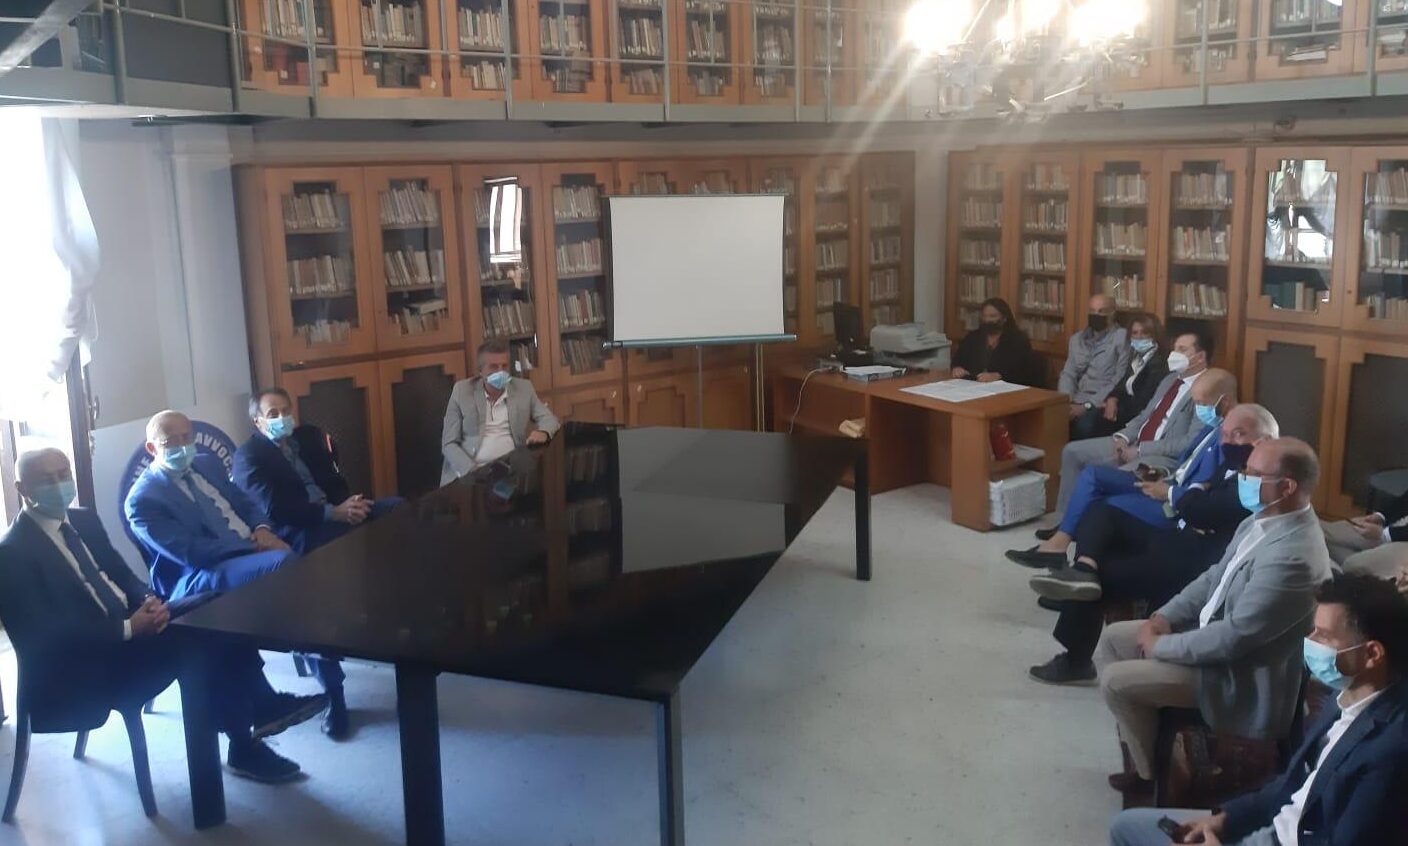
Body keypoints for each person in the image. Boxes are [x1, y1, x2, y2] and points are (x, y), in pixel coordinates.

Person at [1, 448, 326, 783]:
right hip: (89, 661)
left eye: (63, 474)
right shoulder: (11, 552)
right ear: (22, 488)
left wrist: (150, 600)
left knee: (215, 608)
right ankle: (246, 741)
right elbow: (46, 636)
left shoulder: (83, 519)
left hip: (131, 624)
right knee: (202, 643)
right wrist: (128, 628)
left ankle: (261, 710)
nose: (59, 485)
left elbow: (121, 573)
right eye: (46, 480)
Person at [1093, 438, 1333, 789]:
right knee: (1113, 640)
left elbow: (1233, 640)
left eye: (1254, 473)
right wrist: (1163, 617)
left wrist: (1159, 647)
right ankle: (1150, 743)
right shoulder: (1263, 519)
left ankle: (1150, 777)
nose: (1242, 478)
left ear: (1287, 487)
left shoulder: (1294, 557)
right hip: (1212, 638)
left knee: (1116, 682)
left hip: (1236, 677)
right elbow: (1214, 577)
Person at [1108, 573, 1408, 846]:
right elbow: (1292, 785)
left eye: (1324, 636)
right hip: (1276, 829)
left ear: (1372, 653)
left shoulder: (1391, 751)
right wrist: (1224, 821)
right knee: (1127, 826)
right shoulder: (1345, 696)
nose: (1310, 641)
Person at [125, 410, 350, 740]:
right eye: (171, 441)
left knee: (305, 577)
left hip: (251, 550)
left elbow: (246, 503)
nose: (183, 446)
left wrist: (262, 529)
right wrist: (253, 548)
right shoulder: (143, 499)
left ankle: (329, 684)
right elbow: (191, 552)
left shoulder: (206, 464)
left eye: (187, 437)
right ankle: (331, 683)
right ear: (151, 448)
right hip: (199, 574)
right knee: (287, 569)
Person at [1025, 404, 1277, 684]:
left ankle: (1076, 659)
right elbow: (1197, 497)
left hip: (1198, 556)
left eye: (1238, 435)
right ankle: (1083, 569)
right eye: (1225, 435)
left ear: (1264, 440)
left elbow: (1204, 507)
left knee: (1103, 573)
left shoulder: (1263, 478)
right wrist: (1195, 501)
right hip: (1182, 532)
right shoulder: (1233, 463)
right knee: (1101, 514)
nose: (1227, 442)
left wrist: (1195, 502)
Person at [1007, 368, 1238, 569]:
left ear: (1224, 402)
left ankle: (1079, 566)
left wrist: (1167, 490)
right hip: (1165, 479)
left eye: (1201, 404)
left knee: (1100, 503)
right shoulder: (1211, 425)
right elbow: (1184, 460)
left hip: (1174, 500)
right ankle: (1064, 548)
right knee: (1092, 475)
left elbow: (1203, 485)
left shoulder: (1231, 436)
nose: (1198, 409)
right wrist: (1162, 475)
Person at [1049, 329, 1214, 521]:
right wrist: (1123, 436)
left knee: (1109, 477)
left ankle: (1085, 523)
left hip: (1161, 456)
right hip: (1134, 441)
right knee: (1071, 451)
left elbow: (1189, 443)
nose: (1174, 354)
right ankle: (1064, 520)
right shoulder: (1170, 379)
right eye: (1175, 348)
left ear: (1200, 357)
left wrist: (1140, 450)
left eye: (1182, 349)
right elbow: (1145, 415)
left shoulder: (1208, 389)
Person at [233, 387, 402, 555]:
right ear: (258, 422)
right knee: (362, 538)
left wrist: (350, 505)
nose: (281, 418)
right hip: (299, 529)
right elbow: (276, 510)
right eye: (273, 414)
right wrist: (333, 513)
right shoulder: (249, 456)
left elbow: (333, 481)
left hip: (334, 510)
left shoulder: (306, 439)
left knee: (396, 507)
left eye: (285, 411)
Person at [442, 339, 561, 485]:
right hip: (471, 473)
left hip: (510, 471)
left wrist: (543, 432)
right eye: (493, 366)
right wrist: (472, 470)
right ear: (480, 371)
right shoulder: (462, 391)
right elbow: (448, 443)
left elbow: (550, 419)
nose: (500, 371)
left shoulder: (523, 388)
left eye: (504, 366)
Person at [1059, 294, 1130, 440]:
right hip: (1075, 398)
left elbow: (1119, 378)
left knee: (1084, 426)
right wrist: (1065, 401)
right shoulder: (1077, 339)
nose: (1096, 315)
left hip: (1101, 402)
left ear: (1112, 313)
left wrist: (1086, 406)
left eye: (1102, 311)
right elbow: (1068, 373)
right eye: (1092, 311)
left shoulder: (1122, 338)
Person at [1098, 313, 1167, 437]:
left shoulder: (1159, 363)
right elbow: (1122, 384)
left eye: (1144, 333)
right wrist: (1112, 398)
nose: (1139, 337)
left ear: (1154, 335)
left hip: (1139, 418)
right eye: (1135, 333)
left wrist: (1115, 405)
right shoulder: (1135, 357)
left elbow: (1143, 402)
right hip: (1124, 411)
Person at [949, 298, 1042, 387]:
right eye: (984, 316)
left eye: (992, 316)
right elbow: (958, 359)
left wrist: (999, 376)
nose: (987, 320)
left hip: (1007, 389)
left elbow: (1024, 372)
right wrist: (957, 367)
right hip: (973, 386)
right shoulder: (973, 337)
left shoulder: (1018, 340)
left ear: (1004, 318)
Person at [1322, 485, 1408, 579]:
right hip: (1397, 525)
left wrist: (1385, 535)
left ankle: (1358, 574)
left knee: (1352, 565)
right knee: (1324, 535)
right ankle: (1362, 573)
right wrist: (1381, 516)